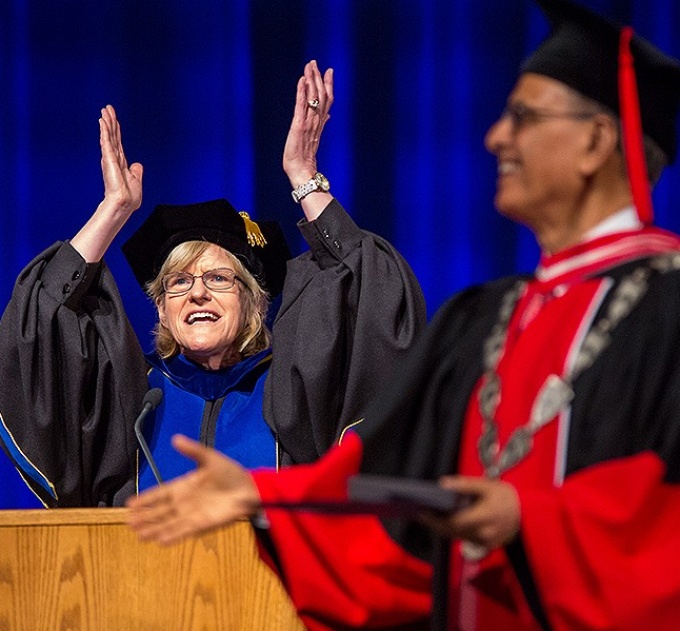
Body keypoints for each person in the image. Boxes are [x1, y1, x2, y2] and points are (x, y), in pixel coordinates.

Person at [127, 1, 680, 630]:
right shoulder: (485, 320)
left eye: (523, 117)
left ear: (597, 141)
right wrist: (264, 499)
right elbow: (388, 495)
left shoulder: (668, 308)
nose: (495, 136)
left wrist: (532, 518)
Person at [0, 60, 426, 507]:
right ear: (161, 308)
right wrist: (114, 210)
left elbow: (372, 293)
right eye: (178, 283)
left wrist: (303, 177)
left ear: (254, 302)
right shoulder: (128, 397)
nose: (197, 292)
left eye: (219, 278)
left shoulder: (298, 393)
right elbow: (39, 319)